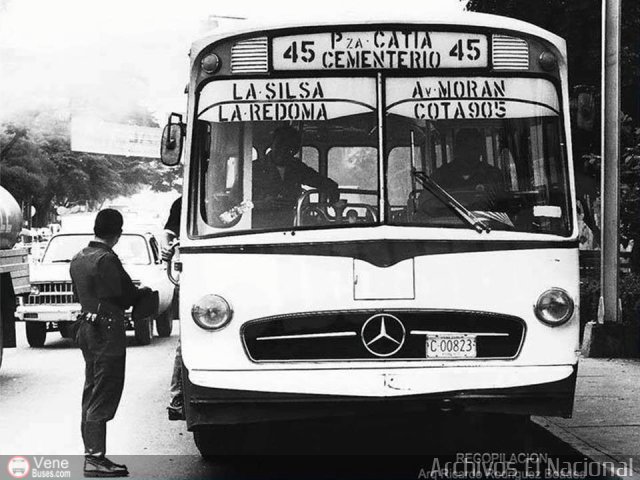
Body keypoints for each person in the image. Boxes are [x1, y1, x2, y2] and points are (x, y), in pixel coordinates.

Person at [70, 209, 151, 477]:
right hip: (107, 330)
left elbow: (82, 293)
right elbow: (125, 295)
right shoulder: (106, 259)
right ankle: (95, 459)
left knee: (92, 388)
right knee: (106, 390)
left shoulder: (79, 257)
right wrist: (144, 294)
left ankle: (91, 454)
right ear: (118, 233)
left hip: (86, 328)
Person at [252, 125, 340, 228]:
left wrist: (332, 188)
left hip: (289, 226)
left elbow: (319, 181)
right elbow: (235, 202)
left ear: (294, 150)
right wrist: (260, 204)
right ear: (272, 144)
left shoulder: (296, 167)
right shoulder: (254, 168)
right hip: (259, 228)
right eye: (280, 145)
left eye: (289, 148)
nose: (283, 150)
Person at [162, 196, 184, 421]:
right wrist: (167, 249)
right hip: (198, 273)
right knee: (187, 339)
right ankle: (177, 398)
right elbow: (168, 233)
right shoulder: (185, 200)